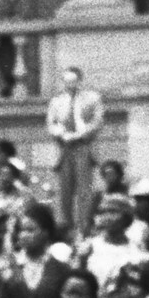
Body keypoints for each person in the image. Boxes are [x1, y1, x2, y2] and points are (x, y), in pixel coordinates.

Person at [46, 64, 106, 236]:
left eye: (73, 81)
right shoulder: (57, 102)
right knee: (64, 191)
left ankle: (84, 227)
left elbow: (97, 121)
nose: (69, 85)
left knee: (84, 190)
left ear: (79, 81)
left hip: (83, 146)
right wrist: (61, 133)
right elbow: (51, 124)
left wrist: (81, 133)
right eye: (66, 81)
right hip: (64, 148)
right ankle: (66, 227)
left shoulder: (92, 98)